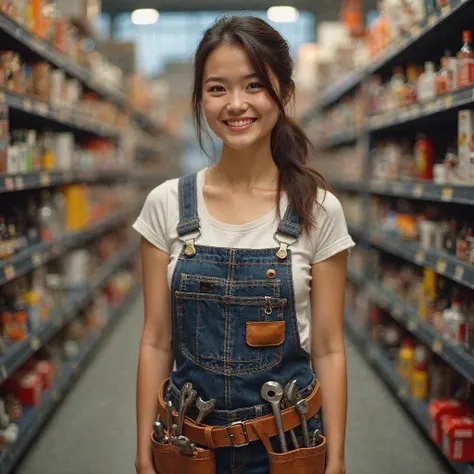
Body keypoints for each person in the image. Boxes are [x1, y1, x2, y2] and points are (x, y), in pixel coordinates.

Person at [132, 15, 355, 474]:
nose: (236, 104)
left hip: (289, 445)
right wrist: (143, 450)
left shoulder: (318, 209)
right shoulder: (166, 204)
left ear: (284, 94)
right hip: (188, 445)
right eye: (217, 89)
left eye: (254, 85)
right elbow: (156, 339)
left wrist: (336, 459)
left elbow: (330, 347)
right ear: (200, 99)